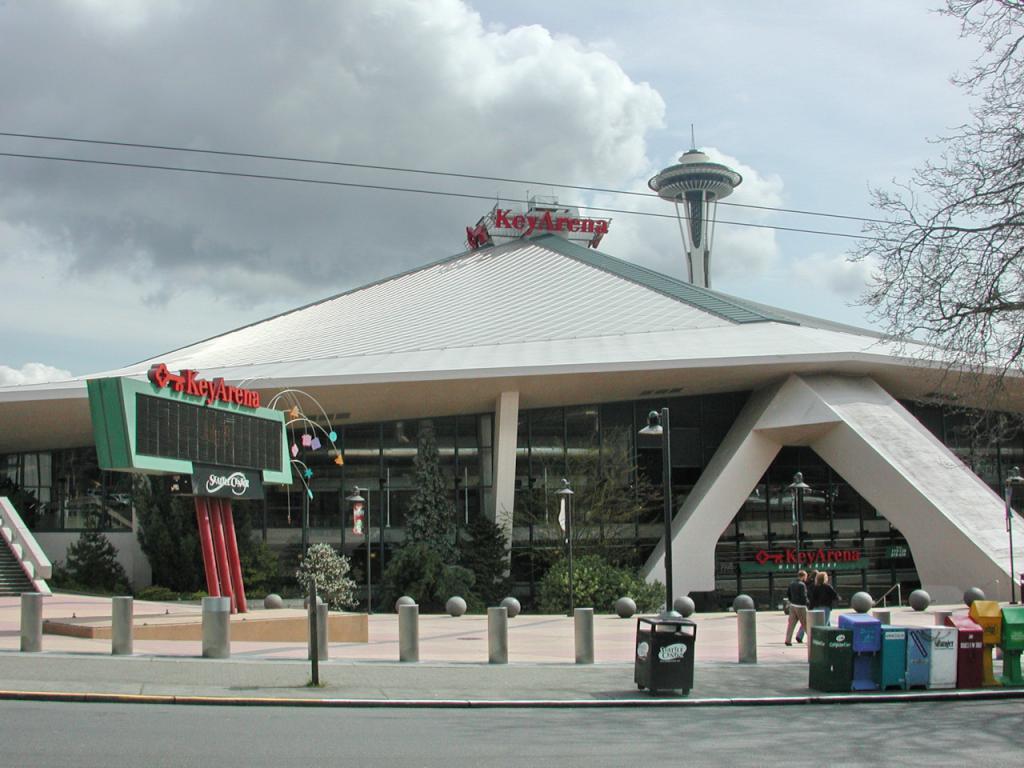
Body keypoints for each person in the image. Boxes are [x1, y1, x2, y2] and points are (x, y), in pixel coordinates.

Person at [784, 570, 809, 646]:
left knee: (791, 624)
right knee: (806, 624)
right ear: (803, 576)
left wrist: (792, 601)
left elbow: (788, 594)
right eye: (806, 577)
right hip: (801, 606)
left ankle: (788, 640)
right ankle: (811, 639)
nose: (806, 578)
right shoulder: (802, 585)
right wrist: (808, 603)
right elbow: (804, 596)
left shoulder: (792, 583)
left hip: (793, 606)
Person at [795, 569, 819, 643]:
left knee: (806, 621)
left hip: (807, 604)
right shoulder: (815, 585)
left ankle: (800, 635)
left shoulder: (806, 583)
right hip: (814, 604)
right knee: (823, 620)